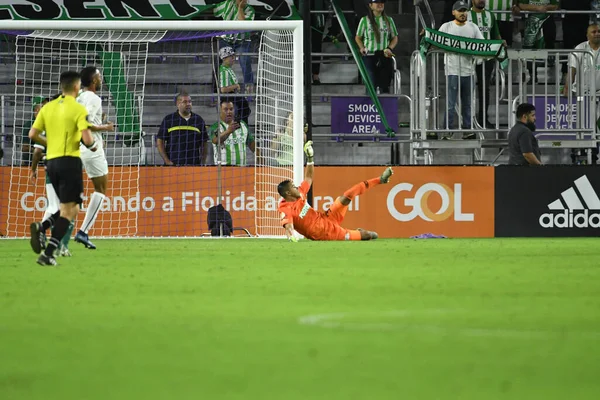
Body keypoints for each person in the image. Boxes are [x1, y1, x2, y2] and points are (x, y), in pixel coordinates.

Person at [28, 71, 97, 266]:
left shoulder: (47, 108)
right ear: (77, 87)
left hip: (51, 162)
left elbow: (32, 133)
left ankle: (44, 231)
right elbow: (88, 139)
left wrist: (50, 141)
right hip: (69, 161)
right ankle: (47, 250)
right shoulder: (77, 109)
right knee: (70, 210)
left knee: (69, 207)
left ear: (61, 87)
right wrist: (93, 146)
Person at [277, 141, 392, 241]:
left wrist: (310, 158)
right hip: (325, 234)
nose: (296, 187)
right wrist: (291, 236)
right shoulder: (286, 208)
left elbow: (309, 178)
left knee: (346, 196)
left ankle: (380, 179)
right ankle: (357, 233)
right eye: (293, 186)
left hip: (326, 217)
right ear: (288, 193)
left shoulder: (300, 193)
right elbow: (288, 226)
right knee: (371, 235)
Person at [73, 66, 115, 251]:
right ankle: (83, 231)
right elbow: (85, 123)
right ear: (93, 81)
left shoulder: (79, 97)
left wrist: (100, 118)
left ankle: (47, 226)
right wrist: (105, 127)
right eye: (99, 76)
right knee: (100, 189)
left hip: (77, 147)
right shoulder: (94, 98)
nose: (101, 78)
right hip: (92, 148)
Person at [30, 93, 74, 257]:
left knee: (54, 206)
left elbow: (37, 152)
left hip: (51, 168)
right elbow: (37, 152)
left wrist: (33, 169)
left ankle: (41, 231)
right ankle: (59, 245)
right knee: (66, 207)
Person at [438, 1, 484, 139]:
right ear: (453, 12)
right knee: (451, 103)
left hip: (469, 71)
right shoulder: (446, 27)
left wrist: (479, 59)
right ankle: (447, 130)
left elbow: (482, 44)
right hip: (452, 70)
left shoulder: (473, 27)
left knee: (468, 103)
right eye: (460, 11)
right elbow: (436, 42)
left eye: (464, 10)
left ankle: (468, 129)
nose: (462, 13)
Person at [562, 23, 600, 165]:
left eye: (599, 31)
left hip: (598, 94)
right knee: (581, 126)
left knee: (594, 128)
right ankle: (578, 156)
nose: (597, 33)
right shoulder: (579, 49)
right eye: (594, 31)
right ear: (587, 34)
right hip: (580, 94)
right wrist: (566, 87)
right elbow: (572, 70)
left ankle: (594, 156)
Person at [468, 0, 503, 127]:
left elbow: (496, 35)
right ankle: (467, 120)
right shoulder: (465, 15)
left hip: (486, 59)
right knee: (468, 89)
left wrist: (501, 44)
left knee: (484, 89)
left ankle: (483, 119)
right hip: (469, 58)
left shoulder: (490, 15)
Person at [355, 0, 398, 94]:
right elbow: (358, 37)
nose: (380, 4)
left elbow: (394, 38)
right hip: (369, 55)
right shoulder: (364, 20)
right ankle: (370, 105)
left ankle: (385, 107)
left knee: (385, 85)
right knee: (371, 83)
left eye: (382, 2)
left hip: (384, 55)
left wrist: (389, 48)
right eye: (377, 2)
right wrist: (362, 47)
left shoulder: (389, 20)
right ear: (370, 5)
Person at [156, 91, 209, 166]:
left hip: (194, 165)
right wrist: (167, 161)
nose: (188, 104)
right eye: (185, 102)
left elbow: (204, 143)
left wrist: (202, 162)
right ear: (178, 104)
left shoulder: (198, 120)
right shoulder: (169, 119)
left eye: (190, 102)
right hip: (173, 165)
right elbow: (160, 140)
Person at [214, 0, 255, 92]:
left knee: (245, 61)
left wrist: (240, 8)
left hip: (243, 41)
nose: (241, 1)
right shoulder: (227, 4)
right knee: (219, 62)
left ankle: (249, 88)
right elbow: (214, 11)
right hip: (227, 40)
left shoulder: (250, 10)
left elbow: (242, 26)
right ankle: (216, 89)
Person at [210, 99, 256, 166]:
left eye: (231, 109)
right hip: (223, 169)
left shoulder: (242, 125)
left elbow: (251, 143)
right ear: (220, 111)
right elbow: (216, 140)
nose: (229, 112)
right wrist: (228, 131)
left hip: (242, 168)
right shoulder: (215, 127)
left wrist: (259, 156)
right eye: (226, 109)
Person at [218, 46, 251, 124]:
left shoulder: (228, 69)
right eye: (231, 57)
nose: (233, 58)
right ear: (224, 58)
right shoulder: (224, 71)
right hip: (229, 98)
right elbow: (223, 89)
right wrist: (236, 86)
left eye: (233, 56)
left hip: (234, 98)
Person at [21, 96, 48, 166]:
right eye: (44, 106)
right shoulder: (29, 125)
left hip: (48, 161)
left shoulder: (49, 123)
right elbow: (25, 148)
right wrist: (41, 155)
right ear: (36, 109)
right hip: (30, 163)